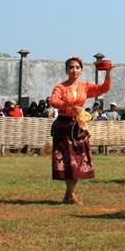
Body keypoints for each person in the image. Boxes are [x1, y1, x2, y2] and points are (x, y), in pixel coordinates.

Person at [49, 56, 112, 205]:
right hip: (64, 126)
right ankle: (70, 195)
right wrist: (71, 106)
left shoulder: (85, 87)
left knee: (77, 160)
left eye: (77, 68)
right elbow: (54, 101)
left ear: (81, 71)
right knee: (68, 160)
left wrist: (108, 73)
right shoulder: (60, 87)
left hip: (78, 126)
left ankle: (69, 195)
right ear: (66, 71)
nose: (74, 70)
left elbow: (103, 88)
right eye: (71, 67)